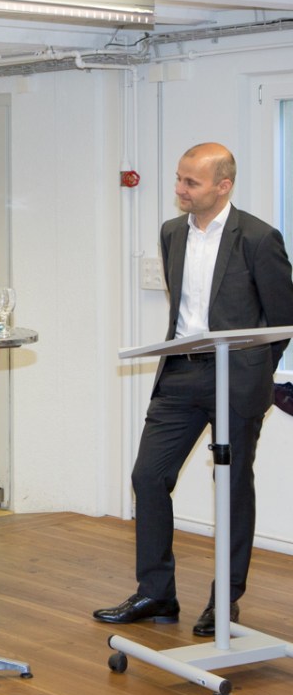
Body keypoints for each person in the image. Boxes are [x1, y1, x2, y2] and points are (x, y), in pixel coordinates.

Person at [94, 142, 293, 636]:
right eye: (179, 179)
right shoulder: (171, 233)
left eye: (191, 182)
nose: (180, 189)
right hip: (180, 374)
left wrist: (256, 372)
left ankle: (225, 601)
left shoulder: (259, 238)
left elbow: (283, 319)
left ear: (223, 186)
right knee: (148, 476)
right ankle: (156, 593)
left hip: (237, 378)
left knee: (233, 486)